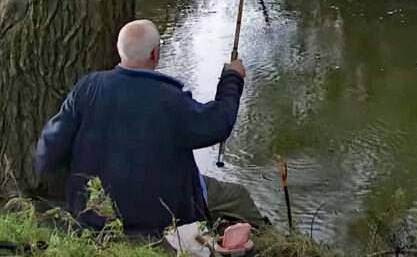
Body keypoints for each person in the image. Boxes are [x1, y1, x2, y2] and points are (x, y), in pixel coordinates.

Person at [35, 19, 268, 234]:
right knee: (238, 196)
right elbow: (217, 124)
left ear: (119, 49)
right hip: (158, 214)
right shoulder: (170, 99)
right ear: (155, 53)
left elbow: (48, 152)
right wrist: (232, 78)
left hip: (93, 210)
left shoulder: (87, 88)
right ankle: (271, 241)